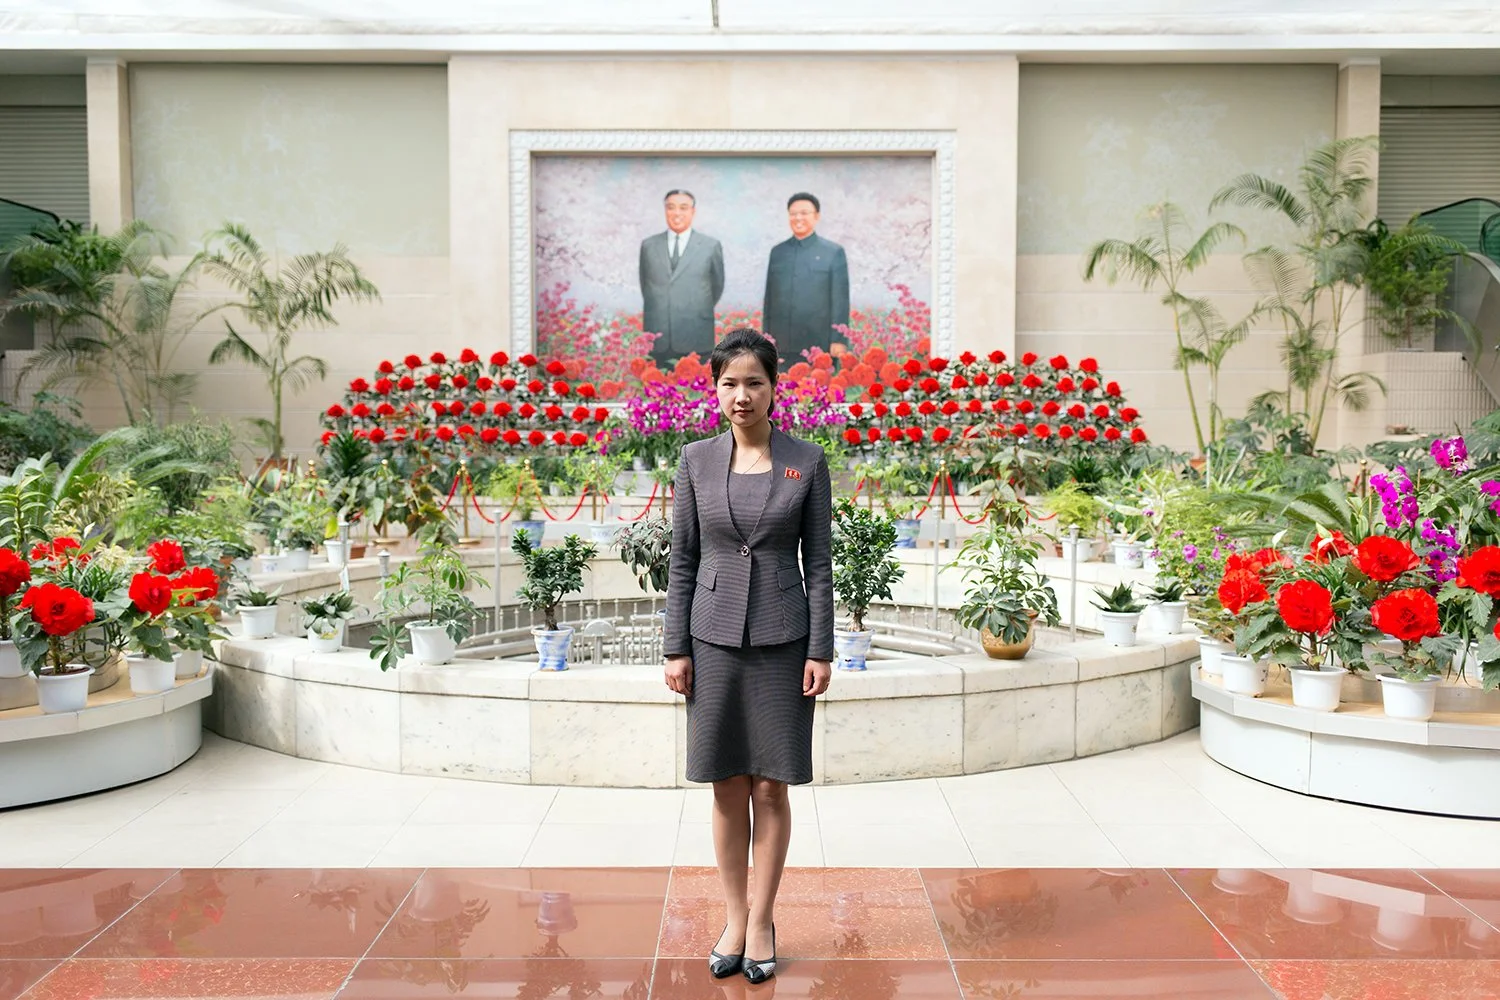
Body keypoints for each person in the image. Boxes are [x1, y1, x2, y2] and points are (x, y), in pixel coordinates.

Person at [663, 327, 834, 985]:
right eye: (729, 383)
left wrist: (821, 647)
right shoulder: (695, 461)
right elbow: (683, 558)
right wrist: (675, 646)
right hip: (711, 639)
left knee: (772, 784)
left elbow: (817, 563)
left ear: (772, 386)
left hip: (784, 639)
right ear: (716, 388)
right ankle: (734, 918)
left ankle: (763, 919)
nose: (741, 396)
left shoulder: (806, 461)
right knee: (726, 783)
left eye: (753, 383)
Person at [640, 189, 726, 366]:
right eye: (671, 207)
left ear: (692, 212)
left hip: (697, 336)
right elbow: (646, 286)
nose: (677, 213)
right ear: (665, 211)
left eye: (683, 207)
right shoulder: (649, 246)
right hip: (659, 337)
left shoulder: (710, 246)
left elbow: (716, 287)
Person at [762, 192, 850, 363]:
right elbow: (770, 301)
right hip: (782, 346)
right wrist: (767, 341)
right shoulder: (778, 252)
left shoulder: (833, 252)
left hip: (820, 345)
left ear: (816, 216)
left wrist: (838, 340)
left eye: (804, 213)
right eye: (793, 214)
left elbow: (840, 300)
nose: (798, 218)